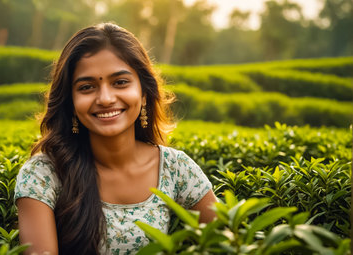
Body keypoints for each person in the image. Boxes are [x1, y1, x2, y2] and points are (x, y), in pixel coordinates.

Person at [14, 22, 217, 255]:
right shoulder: (43, 175)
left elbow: (230, 241)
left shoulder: (175, 168)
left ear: (143, 94)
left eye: (120, 82)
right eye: (87, 87)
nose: (106, 98)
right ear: (70, 101)